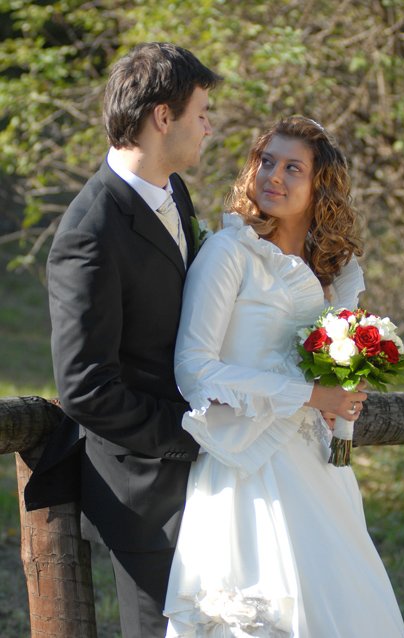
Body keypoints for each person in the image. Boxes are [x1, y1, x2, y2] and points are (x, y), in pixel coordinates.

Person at [163, 116, 404, 637]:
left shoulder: (334, 271)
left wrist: (343, 400)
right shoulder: (230, 253)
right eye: (266, 162)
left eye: (293, 168)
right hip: (248, 460)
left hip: (319, 464)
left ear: (321, 185)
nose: (272, 176)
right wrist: (310, 394)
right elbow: (194, 367)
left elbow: (335, 371)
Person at [24, 42, 221, 637]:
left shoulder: (174, 191)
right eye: (201, 113)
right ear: (163, 116)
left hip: (208, 477)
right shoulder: (90, 231)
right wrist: (193, 434)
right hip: (146, 491)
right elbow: (86, 388)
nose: (209, 127)